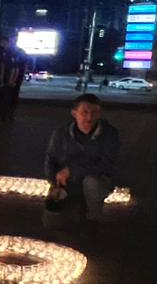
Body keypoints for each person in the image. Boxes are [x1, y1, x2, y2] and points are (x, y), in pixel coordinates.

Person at [43, 93, 120, 235]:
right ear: (74, 113)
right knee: (52, 221)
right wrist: (54, 182)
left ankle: (93, 219)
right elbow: (50, 159)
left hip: (96, 180)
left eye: (94, 112)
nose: (89, 117)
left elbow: (107, 165)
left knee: (92, 183)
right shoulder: (61, 133)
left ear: (99, 113)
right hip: (66, 182)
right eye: (84, 112)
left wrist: (72, 170)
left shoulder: (109, 135)